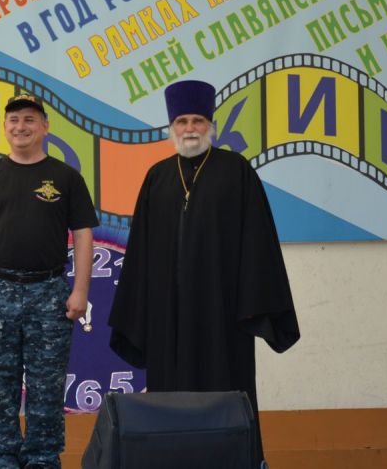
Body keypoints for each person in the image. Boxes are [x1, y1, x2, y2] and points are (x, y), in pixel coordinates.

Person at [108, 79, 299, 464]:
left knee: (225, 399)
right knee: (169, 403)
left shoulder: (236, 171)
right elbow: (140, 254)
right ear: (171, 127)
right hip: (168, 321)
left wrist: (253, 308)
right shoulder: (158, 177)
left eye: (197, 120)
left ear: (210, 125)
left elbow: (258, 242)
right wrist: (139, 316)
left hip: (222, 317)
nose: (190, 128)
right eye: (182, 122)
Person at [0, 93, 98, 469]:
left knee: (46, 387)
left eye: (29, 120)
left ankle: (42, 458)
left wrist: (80, 291)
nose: (21, 127)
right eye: (14, 120)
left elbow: (83, 235)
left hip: (49, 293)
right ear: (4, 127)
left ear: (45, 127)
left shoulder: (66, 177)